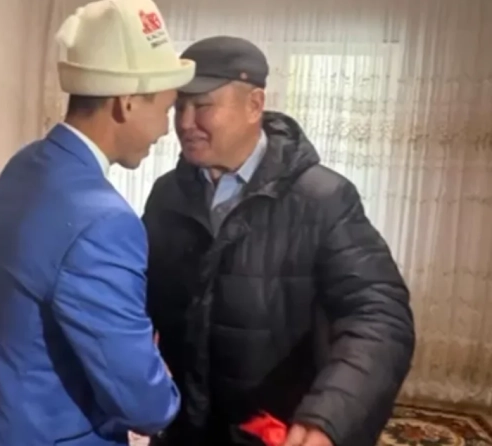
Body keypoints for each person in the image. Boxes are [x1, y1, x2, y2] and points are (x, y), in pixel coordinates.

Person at [0, 0, 196, 446]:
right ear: (127, 103)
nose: (166, 130)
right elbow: (143, 405)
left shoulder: (24, 165)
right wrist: (167, 391)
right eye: (166, 110)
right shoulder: (106, 222)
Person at [142, 36, 416, 446]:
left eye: (202, 105)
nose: (184, 122)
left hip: (275, 432)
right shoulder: (167, 195)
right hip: (182, 428)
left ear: (254, 105)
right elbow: (140, 297)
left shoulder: (322, 199)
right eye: (179, 106)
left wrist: (328, 415)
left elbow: (379, 316)